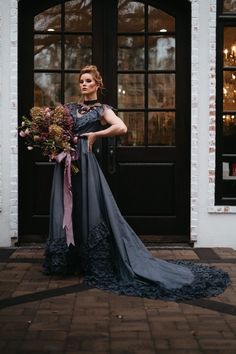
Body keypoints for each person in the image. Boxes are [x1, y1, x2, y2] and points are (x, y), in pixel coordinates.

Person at [43, 65, 230, 301]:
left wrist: (95, 135)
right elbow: (56, 128)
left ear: (97, 84)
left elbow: (121, 127)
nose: (84, 84)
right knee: (66, 207)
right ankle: (67, 260)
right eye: (81, 81)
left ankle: (93, 262)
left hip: (86, 163)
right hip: (66, 163)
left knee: (89, 207)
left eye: (88, 81)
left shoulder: (102, 110)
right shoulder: (69, 108)